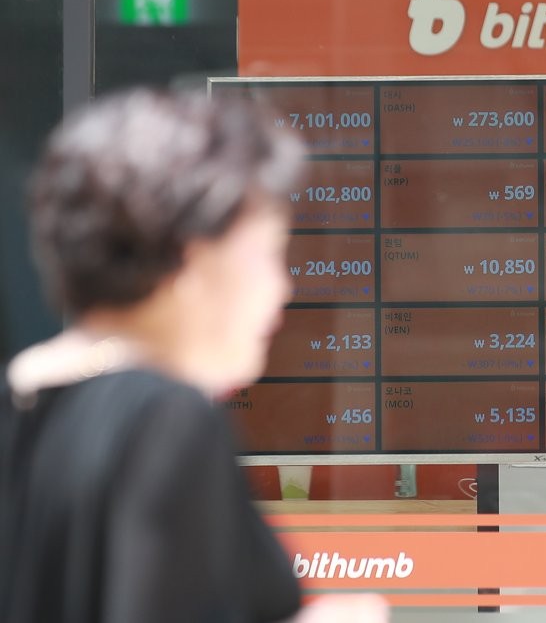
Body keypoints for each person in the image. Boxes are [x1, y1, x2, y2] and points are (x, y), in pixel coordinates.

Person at [0, 89, 389, 623]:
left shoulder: (24, 400)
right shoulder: (166, 419)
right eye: (270, 251)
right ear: (192, 259)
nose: (284, 288)